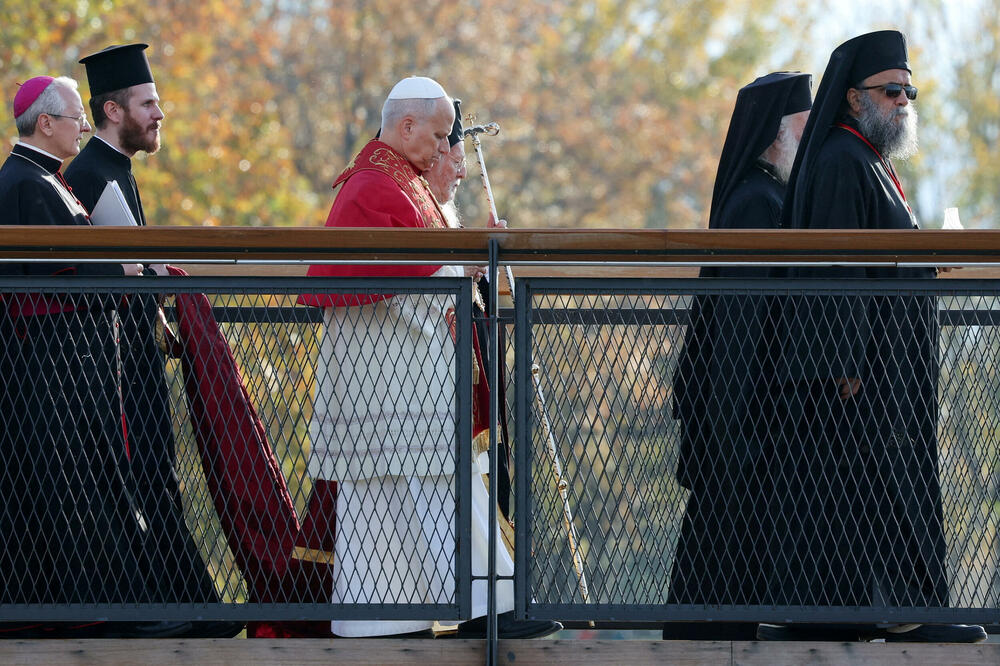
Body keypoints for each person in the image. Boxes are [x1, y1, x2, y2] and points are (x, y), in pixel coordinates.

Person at [299, 76, 559, 639]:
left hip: (405, 374)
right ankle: (489, 610)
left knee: (396, 502)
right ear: (406, 125)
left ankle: (386, 623)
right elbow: (390, 278)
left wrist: (468, 261)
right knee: (424, 492)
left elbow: (421, 268)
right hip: (390, 377)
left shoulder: (403, 182)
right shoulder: (371, 187)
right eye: (439, 137)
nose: (445, 149)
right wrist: (463, 269)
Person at [761, 30, 986, 643]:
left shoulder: (868, 158)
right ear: (855, 98)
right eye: (892, 91)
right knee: (870, 488)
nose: (904, 102)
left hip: (894, 363)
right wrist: (842, 359)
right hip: (864, 369)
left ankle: (898, 611)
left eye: (909, 91)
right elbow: (836, 269)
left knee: (887, 484)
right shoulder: (840, 157)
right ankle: (903, 614)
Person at [0, 76, 188, 638]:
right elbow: (67, 280)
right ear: (45, 122)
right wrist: (128, 272)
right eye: (76, 116)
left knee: (89, 485)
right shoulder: (26, 185)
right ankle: (105, 618)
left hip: (71, 367)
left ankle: (115, 612)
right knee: (75, 492)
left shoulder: (43, 180)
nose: (83, 126)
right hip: (53, 373)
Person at [63, 44, 240, 638]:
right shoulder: (87, 174)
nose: (160, 114)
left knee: (159, 476)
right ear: (114, 110)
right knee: (143, 478)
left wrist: (163, 320)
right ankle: (183, 609)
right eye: (149, 103)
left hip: (138, 348)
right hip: (110, 364)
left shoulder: (118, 169)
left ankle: (192, 607)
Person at [664, 72, 811, 642]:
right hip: (744, 413)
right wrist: (733, 428)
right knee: (727, 544)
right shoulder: (758, 201)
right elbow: (739, 327)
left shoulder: (769, 195)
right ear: (778, 133)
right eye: (804, 126)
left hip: (747, 410)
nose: (813, 136)